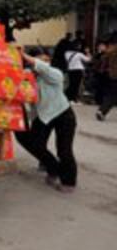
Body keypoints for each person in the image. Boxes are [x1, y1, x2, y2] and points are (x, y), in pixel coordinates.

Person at [18, 47, 77, 192]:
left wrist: (25, 56)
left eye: (46, 60)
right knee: (32, 142)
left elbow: (45, 69)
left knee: (64, 150)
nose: (45, 63)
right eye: (41, 59)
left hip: (63, 114)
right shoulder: (27, 75)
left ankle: (69, 182)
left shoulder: (55, 74)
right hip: (43, 116)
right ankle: (53, 168)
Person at [96, 35, 117, 121]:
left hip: (111, 75)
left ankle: (102, 110)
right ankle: (102, 111)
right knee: (113, 95)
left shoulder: (109, 51)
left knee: (112, 94)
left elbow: (102, 59)